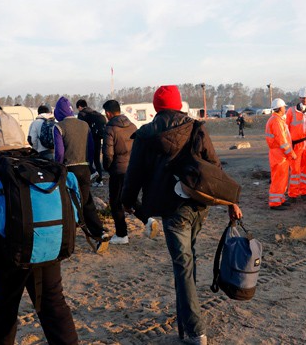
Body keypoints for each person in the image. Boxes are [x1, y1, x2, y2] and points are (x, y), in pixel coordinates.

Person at [122, 85, 243, 345]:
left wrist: (128, 203)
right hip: (198, 205)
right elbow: (215, 167)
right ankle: (188, 319)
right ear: (178, 105)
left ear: (156, 107)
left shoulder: (145, 135)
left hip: (170, 208)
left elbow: (134, 175)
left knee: (183, 266)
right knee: (188, 261)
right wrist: (230, 201)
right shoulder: (196, 127)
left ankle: (194, 331)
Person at [0, 109, 79, 344]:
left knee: (4, 307)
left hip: (4, 252)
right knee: (53, 304)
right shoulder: (40, 161)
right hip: (45, 245)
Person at [54, 97, 109, 253]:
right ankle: (99, 232)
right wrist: (89, 165)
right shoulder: (84, 125)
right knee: (86, 201)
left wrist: (58, 167)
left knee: (67, 204)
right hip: (84, 168)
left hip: (68, 170)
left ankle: (66, 239)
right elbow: (91, 149)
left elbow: (59, 152)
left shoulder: (59, 127)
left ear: (59, 112)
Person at [101, 99, 159, 245]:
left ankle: (122, 234)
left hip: (118, 170)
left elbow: (108, 154)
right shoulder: (132, 125)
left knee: (116, 203)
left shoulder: (110, 128)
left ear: (108, 113)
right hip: (133, 169)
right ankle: (148, 220)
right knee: (130, 199)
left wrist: (107, 167)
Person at [285, 87, 306, 202]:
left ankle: (304, 192)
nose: (305, 99)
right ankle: (293, 194)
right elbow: (285, 129)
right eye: (303, 97)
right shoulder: (291, 111)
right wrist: (288, 146)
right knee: (295, 170)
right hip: (295, 145)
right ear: (299, 98)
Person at [266, 98, 296, 210]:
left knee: (282, 178)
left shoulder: (277, 119)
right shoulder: (276, 121)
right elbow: (282, 141)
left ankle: (280, 199)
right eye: (284, 107)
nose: (285, 108)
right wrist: (291, 153)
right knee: (278, 178)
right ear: (280, 108)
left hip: (279, 154)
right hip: (279, 154)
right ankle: (275, 203)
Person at [76, 99, 107, 186]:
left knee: (87, 160)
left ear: (79, 107)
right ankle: (99, 180)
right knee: (96, 160)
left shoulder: (82, 114)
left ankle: (91, 177)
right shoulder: (95, 113)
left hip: (88, 140)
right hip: (97, 139)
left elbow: (80, 129)